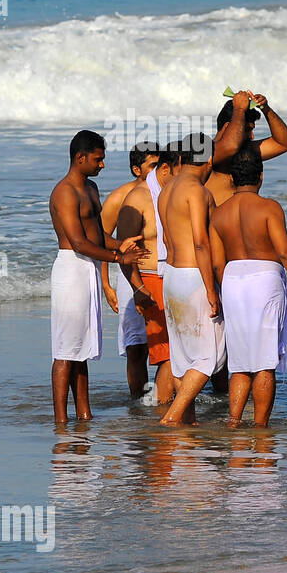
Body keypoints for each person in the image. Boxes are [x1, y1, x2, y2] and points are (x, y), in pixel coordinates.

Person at [210, 147, 287, 426]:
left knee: (240, 362)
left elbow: (217, 263)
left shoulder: (219, 214)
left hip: (232, 280)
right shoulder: (269, 207)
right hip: (265, 278)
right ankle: (260, 427)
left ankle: (234, 420)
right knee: (264, 361)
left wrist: (225, 290)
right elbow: (285, 253)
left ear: (232, 180)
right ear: (260, 176)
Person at [157, 98, 249, 424]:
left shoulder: (167, 189)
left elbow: (169, 239)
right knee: (211, 355)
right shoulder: (197, 191)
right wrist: (213, 289)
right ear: (209, 159)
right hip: (194, 278)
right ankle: (172, 417)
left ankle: (188, 421)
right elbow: (200, 241)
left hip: (171, 276)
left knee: (183, 357)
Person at [47, 130, 147, 423]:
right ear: (80, 158)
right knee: (66, 348)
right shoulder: (64, 191)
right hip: (71, 267)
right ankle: (61, 421)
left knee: (82, 347)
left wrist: (120, 244)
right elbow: (78, 242)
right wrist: (119, 258)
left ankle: (84, 412)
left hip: (88, 266)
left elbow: (97, 235)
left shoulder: (90, 188)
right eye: (98, 159)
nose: (102, 165)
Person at [118, 144, 181, 405]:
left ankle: (165, 407)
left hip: (176, 276)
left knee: (177, 350)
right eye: (179, 172)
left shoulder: (174, 191)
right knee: (162, 352)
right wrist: (137, 288)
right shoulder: (137, 198)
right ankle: (160, 413)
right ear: (165, 168)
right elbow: (123, 248)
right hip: (151, 277)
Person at [99, 141, 159, 396]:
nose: (157, 170)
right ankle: (138, 402)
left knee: (164, 341)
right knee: (136, 346)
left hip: (161, 273)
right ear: (137, 169)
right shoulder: (119, 197)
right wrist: (106, 284)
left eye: (160, 164)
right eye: (152, 166)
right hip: (127, 276)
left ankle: (164, 397)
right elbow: (99, 238)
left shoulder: (165, 191)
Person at [206, 92, 287, 206]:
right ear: (228, 127)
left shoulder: (244, 151)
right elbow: (230, 147)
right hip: (215, 223)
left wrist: (265, 109)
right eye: (247, 130)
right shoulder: (205, 153)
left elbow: (285, 143)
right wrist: (239, 110)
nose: (252, 136)